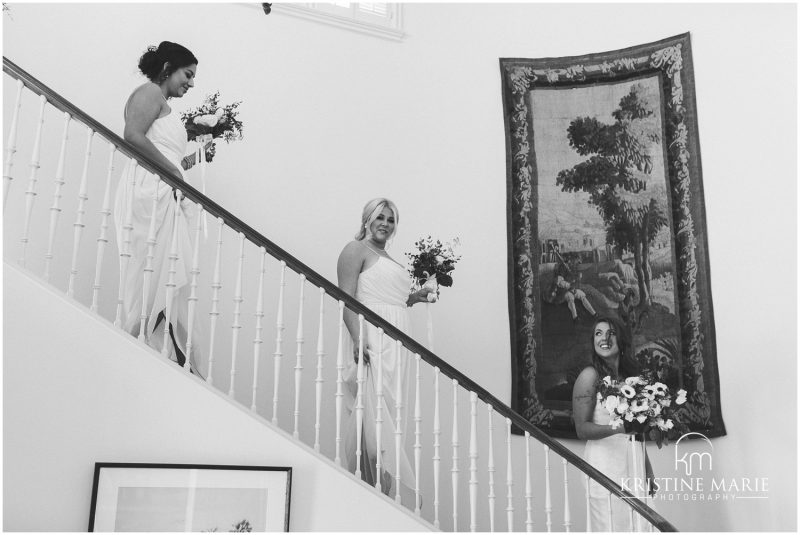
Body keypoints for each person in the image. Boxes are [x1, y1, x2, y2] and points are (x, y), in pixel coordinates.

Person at [114, 41, 209, 376]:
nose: (192, 83)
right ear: (168, 67)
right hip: (148, 190)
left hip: (165, 190)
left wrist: (191, 160)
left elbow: (165, 151)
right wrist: (171, 172)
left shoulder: (164, 104)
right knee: (150, 267)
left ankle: (161, 346)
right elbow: (133, 136)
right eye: (188, 74)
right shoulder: (149, 92)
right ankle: (141, 339)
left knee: (166, 268)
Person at [336, 198, 433, 505]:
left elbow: (395, 301)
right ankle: (367, 492)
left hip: (397, 343)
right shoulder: (355, 250)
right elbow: (346, 298)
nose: (386, 224)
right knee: (373, 415)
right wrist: (357, 337)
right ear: (367, 218)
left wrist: (416, 296)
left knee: (392, 413)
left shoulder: (388, 256)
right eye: (381, 217)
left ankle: (384, 496)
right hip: (372, 339)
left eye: (391, 220)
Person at [572, 317, 653, 531]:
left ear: (622, 339)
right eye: (598, 333)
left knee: (642, 528)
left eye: (611, 333)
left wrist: (647, 467)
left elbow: (637, 427)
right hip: (604, 465)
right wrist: (618, 428)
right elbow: (581, 429)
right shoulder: (589, 376)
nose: (604, 338)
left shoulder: (631, 378)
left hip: (634, 464)